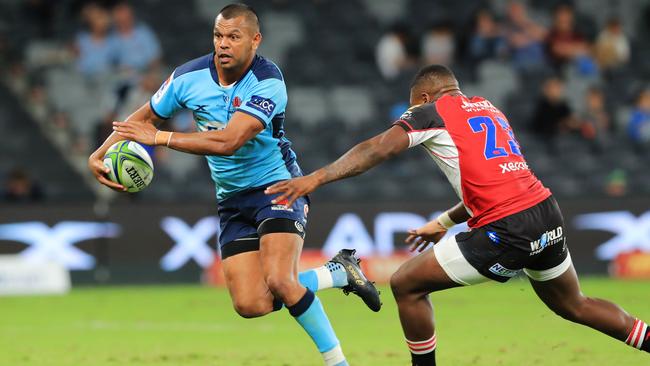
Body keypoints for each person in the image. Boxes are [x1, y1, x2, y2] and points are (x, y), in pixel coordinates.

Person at [265, 64, 650, 365]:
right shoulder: (489, 109)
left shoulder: (433, 112)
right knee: (574, 304)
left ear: (426, 95)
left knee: (406, 284)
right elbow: (493, 180)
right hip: (545, 212)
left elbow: (377, 148)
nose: (411, 112)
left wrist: (316, 177)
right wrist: (444, 223)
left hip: (507, 226)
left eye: (414, 104)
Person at [87, 4, 380, 366]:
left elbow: (229, 141)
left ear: (255, 40)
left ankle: (339, 363)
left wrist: (161, 138)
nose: (223, 44)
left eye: (233, 37)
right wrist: (99, 153)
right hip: (231, 199)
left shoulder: (268, 81)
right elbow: (146, 114)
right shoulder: (187, 77)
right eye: (218, 36)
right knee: (250, 304)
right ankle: (337, 272)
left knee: (280, 280)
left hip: (278, 187)